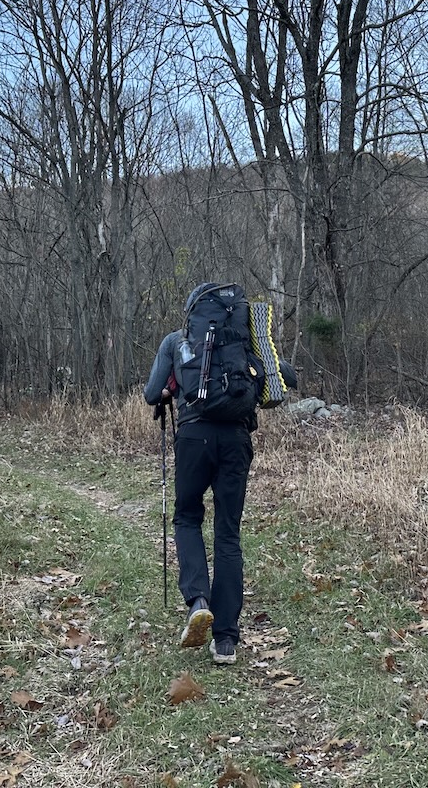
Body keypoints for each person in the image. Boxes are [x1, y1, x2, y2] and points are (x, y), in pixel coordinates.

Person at [144, 283, 296, 665]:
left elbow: (151, 393)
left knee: (187, 518)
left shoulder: (176, 341)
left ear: (192, 313)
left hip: (194, 438)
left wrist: (169, 392)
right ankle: (226, 641)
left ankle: (198, 601)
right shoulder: (247, 343)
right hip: (235, 440)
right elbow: (287, 376)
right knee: (228, 533)